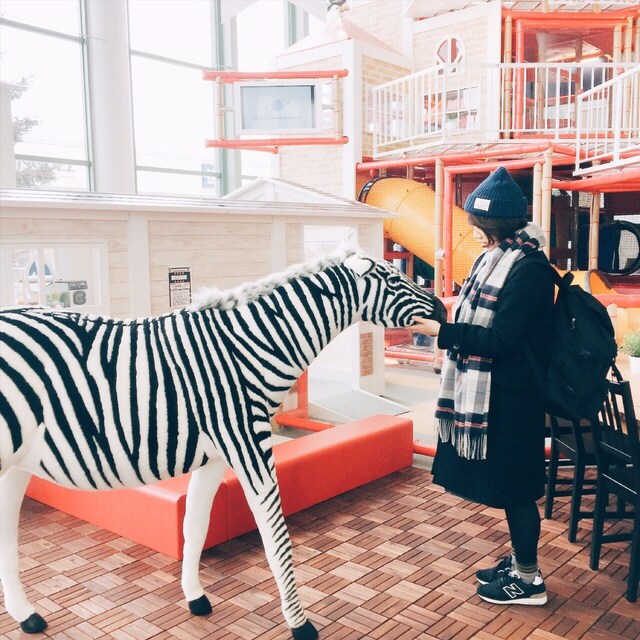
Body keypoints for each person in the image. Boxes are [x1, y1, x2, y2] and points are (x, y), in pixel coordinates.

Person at [410, 166, 555, 606]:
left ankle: (528, 581)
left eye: (479, 224)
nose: (473, 232)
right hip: (499, 395)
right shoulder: (498, 258)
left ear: (498, 225)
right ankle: (520, 562)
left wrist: (442, 332)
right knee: (511, 488)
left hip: (514, 400)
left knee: (517, 491)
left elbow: (501, 340)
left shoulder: (530, 269)